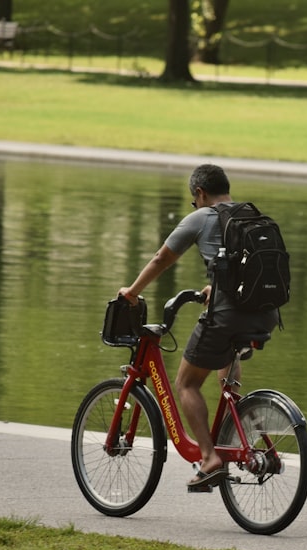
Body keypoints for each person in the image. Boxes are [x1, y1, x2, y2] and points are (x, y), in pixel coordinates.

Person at [118, 164, 280, 490]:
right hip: (265, 314)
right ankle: (246, 436)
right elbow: (242, 270)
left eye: (195, 200)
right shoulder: (250, 216)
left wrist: (132, 293)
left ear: (200, 194)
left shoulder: (201, 217)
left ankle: (209, 458)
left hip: (227, 316)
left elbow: (161, 259)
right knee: (227, 384)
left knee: (186, 383)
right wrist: (215, 288)